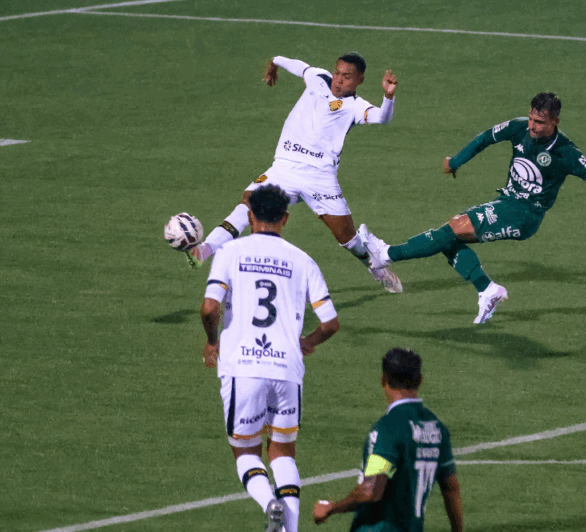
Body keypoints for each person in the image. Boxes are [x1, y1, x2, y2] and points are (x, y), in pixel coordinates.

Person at [360, 92, 586, 324]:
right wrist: (456, 161)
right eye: (531, 118)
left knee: (453, 228)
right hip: (507, 203)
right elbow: (485, 138)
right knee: (448, 236)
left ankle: (386, 254)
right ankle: (487, 289)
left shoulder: (566, 152)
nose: (533, 126)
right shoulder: (519, 128)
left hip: (525, 215)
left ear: (555, 121)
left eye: (540, 122)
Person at [187, 52, 404, 294]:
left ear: (359, 80)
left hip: (319, 179)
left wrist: (388, 96)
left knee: (348, 239)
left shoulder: (356, 106)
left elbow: (382, 118)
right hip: (284, 169)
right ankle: (204, 250)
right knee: (248, 204)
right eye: (337, 73)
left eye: (347, 76)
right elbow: (299, 66)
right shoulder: (318, 78)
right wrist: (274, 62)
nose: (339, 79)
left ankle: (377, 269)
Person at [201, 184, 340, 532]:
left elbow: (209, 307)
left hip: (242, 367)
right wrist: (307, 342)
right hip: (287, 368)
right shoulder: (303, 260)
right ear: (285, 219)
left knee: (246, 453)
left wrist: (212, 342)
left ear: (250, 217)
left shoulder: (230, 251)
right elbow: (330, 323)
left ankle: (268, 503)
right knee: (282, 452)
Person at [313, 348, 463, 532]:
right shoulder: (437, 428)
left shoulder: (390, 426)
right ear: (420, 380)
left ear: (383, 378)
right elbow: (451, 489)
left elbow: (371, 490)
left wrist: (331, 508)